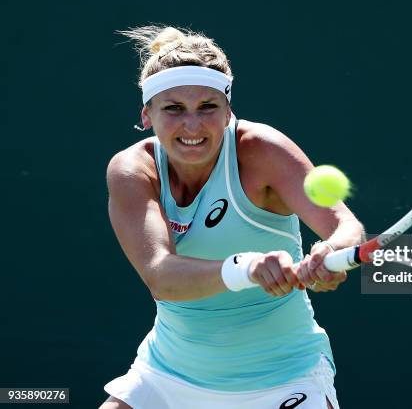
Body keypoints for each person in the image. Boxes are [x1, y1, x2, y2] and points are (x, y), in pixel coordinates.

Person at [100, 25, 365, 409]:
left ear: (228, 112)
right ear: (146, 115)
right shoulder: (132, 170)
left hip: (284, 378)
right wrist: (248, 267)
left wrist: (332, 252)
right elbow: (161, 276)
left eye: (208, 107)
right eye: (173, 108)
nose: (192, 125)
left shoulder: (261, 151)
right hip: (166, 376)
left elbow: (345, 226)